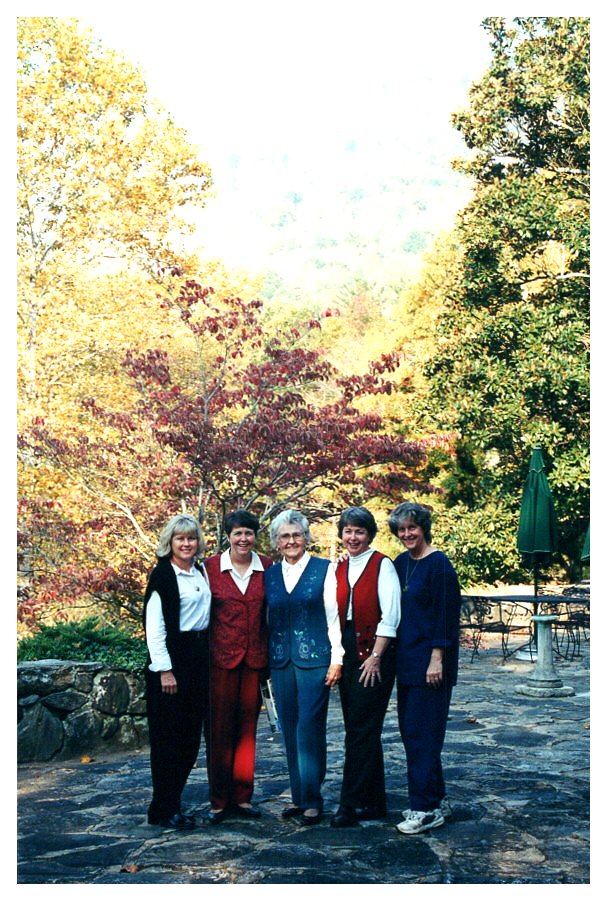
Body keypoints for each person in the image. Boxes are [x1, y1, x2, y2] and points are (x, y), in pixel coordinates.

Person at [264, 509, 343, 826]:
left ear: (306, 537)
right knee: (289, 728)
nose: (291, 541)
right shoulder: (269, 574)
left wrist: (337, 657)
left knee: (309, 728)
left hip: (316, 661)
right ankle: (298, 798)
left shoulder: (325, 569)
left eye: (297, 534)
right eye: (285, 536)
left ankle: (312, 800)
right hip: (281, 661)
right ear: (276, 542)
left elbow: (334, 617)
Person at [388, 501, 462, 835]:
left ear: (424, 528)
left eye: (412, 528)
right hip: (407, 662)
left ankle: (423, 809)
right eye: (401, 529)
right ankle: (437, 798)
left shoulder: (440, 565)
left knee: (422, 736)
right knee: (415, 734)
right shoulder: (401, 563)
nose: (407, 534)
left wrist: (437, 659)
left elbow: (446, 617)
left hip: (432, 665)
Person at [330, 507, 401, 827]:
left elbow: (391, 616)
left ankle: (349, 803)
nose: (353, 537)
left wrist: (375, 657)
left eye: (359, 531)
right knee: (360, 728)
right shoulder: (340, 567)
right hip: (347, 650)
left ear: (370, 534)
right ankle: (374, 801)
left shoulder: (382, 565)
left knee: (361, 729)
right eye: (348, 531)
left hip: (375, 653)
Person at [143, 513, 211, 830]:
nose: (186, 543)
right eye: (180, 538)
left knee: (189, 740)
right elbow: (154, 628)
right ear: (169, 542)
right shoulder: (162, 577)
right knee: (168, 741)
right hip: (172, 663)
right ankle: (163, 808)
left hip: (198, 660)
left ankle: (173, 802)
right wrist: (165, 670)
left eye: (191, 538)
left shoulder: (200, 572)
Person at [204, 509, 272, 824]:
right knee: (219, 730)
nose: (243, 539)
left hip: (255, 661)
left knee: (247, 731)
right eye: (238, 533)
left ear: (255, 536)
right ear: (228, 537)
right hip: (220, 661)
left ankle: (243, 798)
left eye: (249, 533)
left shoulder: (267, 568)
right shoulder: (210, 568)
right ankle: (219, 800)